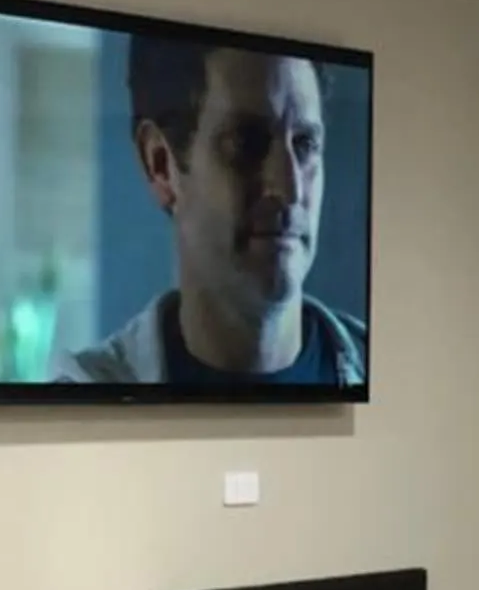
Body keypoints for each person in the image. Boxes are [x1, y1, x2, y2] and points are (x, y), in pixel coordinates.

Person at [55, 39, 367, 387]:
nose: (289, 190)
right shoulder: (85, 403)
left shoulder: (393, 373)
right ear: (161, 164)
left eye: (305, 143)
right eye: (246, 143)